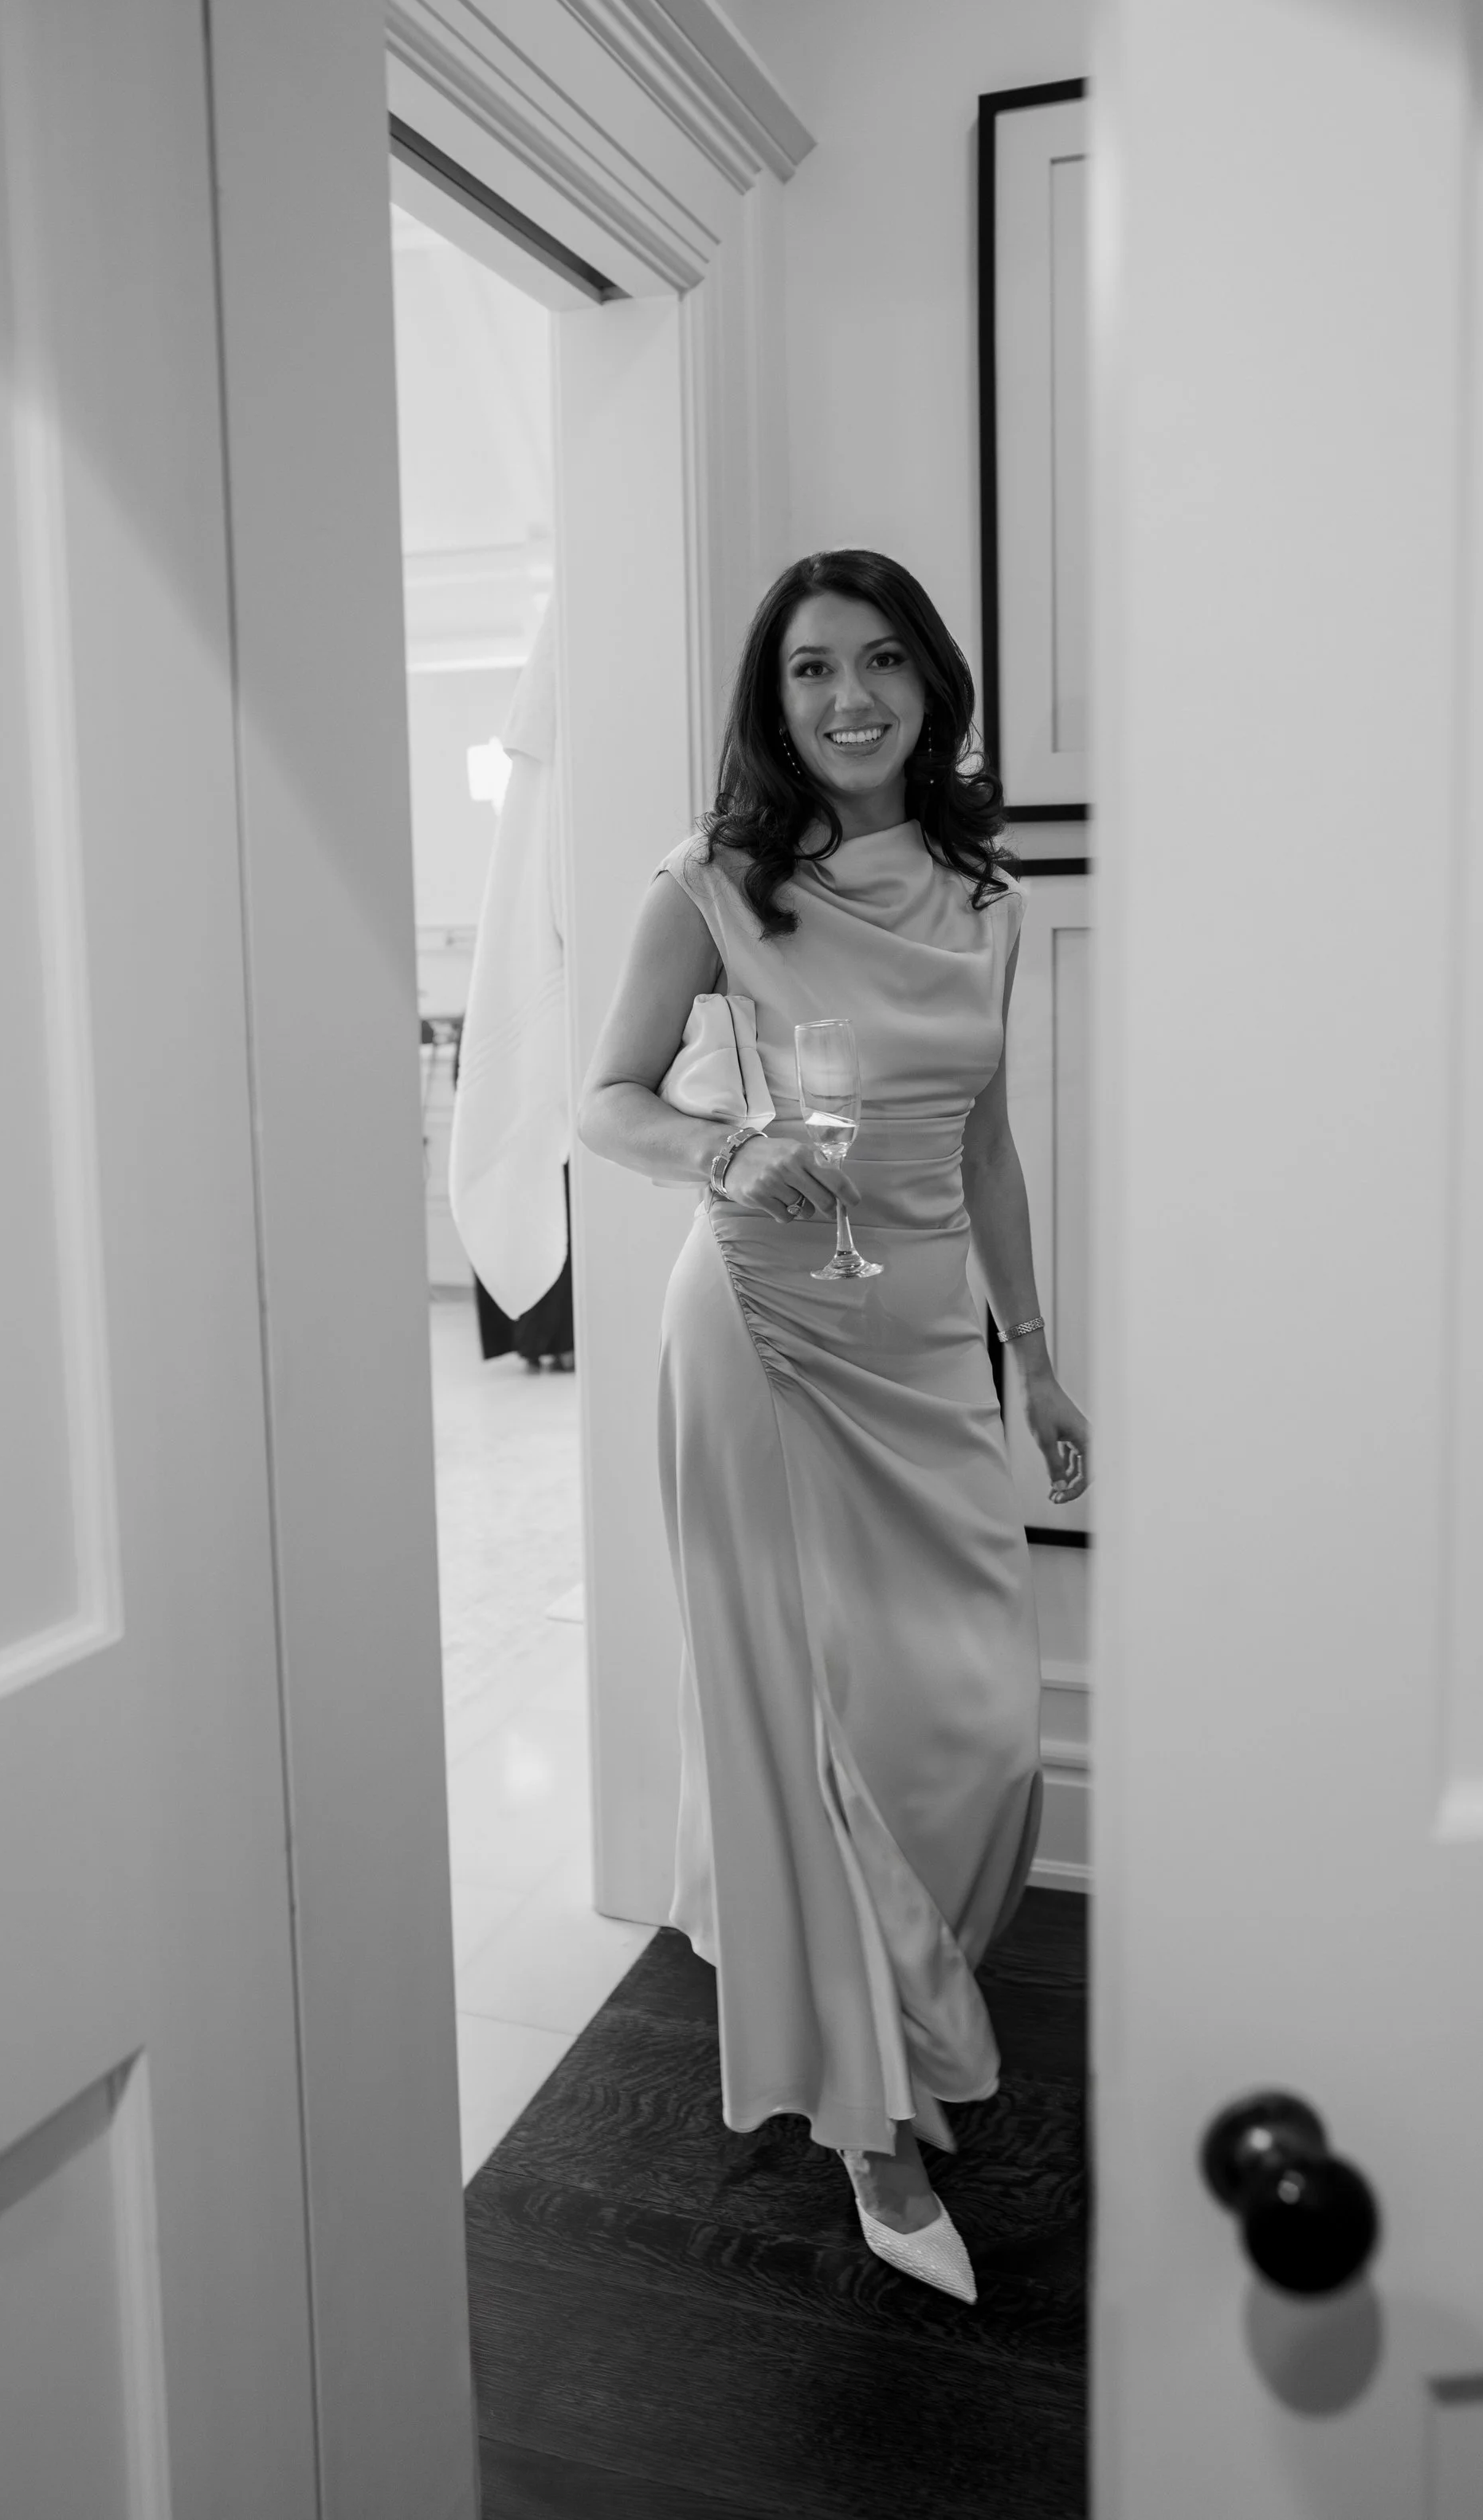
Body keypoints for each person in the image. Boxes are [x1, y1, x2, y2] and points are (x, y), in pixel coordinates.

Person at [577, 549, 1090, 2305]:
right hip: (767, 1330)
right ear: (771, 699)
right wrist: (721, 1150)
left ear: (928, 684)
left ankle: (890, 2030)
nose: (847, 696)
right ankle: (867, 2123)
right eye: (808, 671)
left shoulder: (984, 895)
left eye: (878, 661)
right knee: (816, 1738)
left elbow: (986, 1144)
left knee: (976, 1727)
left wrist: (1036, 1354)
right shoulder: (713, 884)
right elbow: (605, 1101)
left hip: (929, 1336)